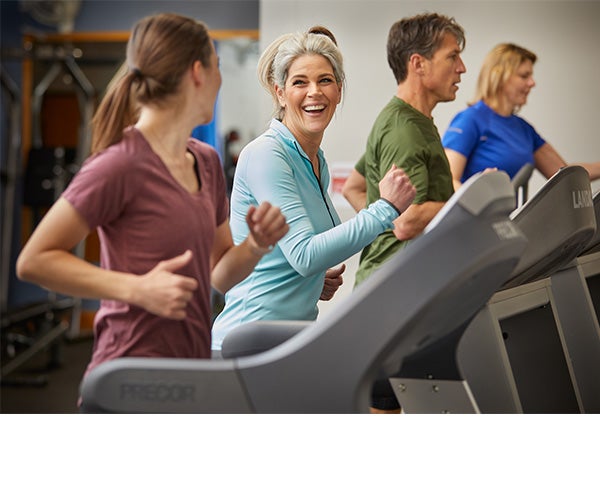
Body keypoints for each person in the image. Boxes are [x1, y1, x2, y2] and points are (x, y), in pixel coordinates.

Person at [16, 13, 288, 382]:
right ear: (197, 73)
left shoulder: (205, 162)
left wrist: (256, 245)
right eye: (217, 67)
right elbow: (34, 260)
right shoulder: (119, 164)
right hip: (130, 371)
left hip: (189, 367)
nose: (219, 79)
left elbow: (220, 275)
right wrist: (136, 288)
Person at [211, 26, 416, 353]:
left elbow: (293, 260)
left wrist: (308, 284)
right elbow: (306, 255)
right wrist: (385, 209)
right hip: (246, 344)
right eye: (299, 82)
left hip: (287, 342)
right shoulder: (267, 154)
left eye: (324, 80)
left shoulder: (313, 159)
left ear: (338, 89)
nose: (314, 92)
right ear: (280, 93)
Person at [342, 13, 467, 411]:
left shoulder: (407, 119)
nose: (461, 67)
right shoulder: (404, 130)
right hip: (393, 298)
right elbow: (406, 221)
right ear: (418, 63)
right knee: (390, 410)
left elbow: (355, 187)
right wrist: (466, 202)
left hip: (398, 292)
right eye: (452, 57)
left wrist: (381, 222)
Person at [442, 42, 600, 191]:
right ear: (499, 77)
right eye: (524, 76)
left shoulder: (523, 129)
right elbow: (448, 180)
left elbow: (565, 174)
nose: (532, 83)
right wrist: (477, 207)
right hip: (475, 219)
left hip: (506, 219)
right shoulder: (470, 120)